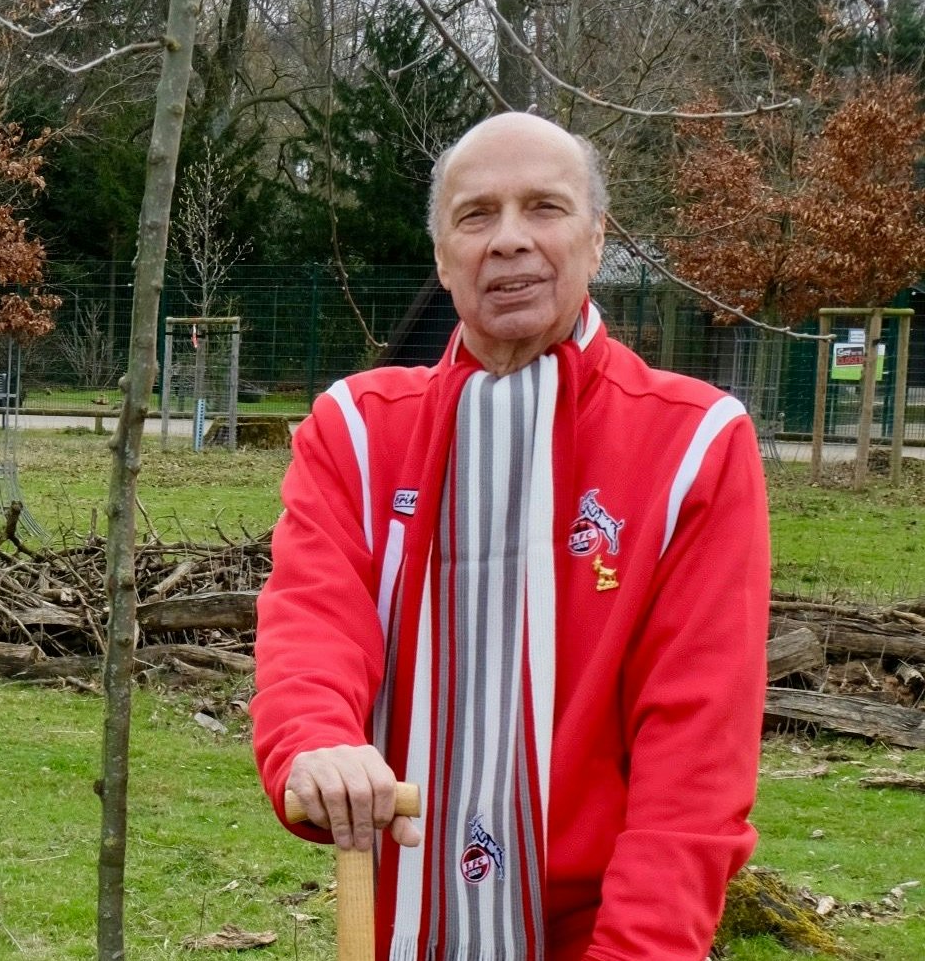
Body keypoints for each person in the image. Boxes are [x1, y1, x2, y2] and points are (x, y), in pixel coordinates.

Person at [250, 112, 769, 960]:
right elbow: (311, 624)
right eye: (477, 214)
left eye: (545, 207)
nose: (510, 241)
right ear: (442, 255)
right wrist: (316, 740)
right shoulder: (353, 429)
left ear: (598, 241)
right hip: (401, 922)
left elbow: (695, 762)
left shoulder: (696, 443)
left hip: (600, 933)